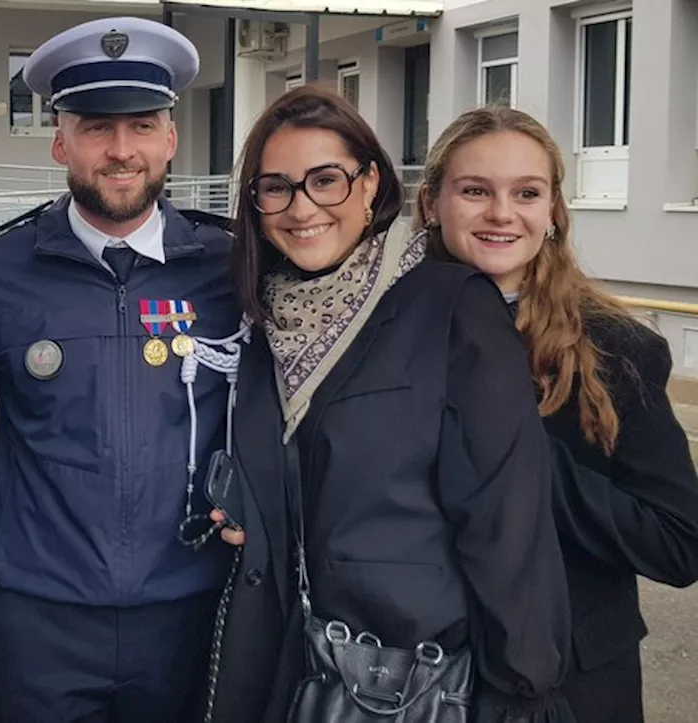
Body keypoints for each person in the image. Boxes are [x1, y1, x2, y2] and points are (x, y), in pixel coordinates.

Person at [205, 86, 575, 722]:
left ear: (371, 183)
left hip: (408, 675)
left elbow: (506, 519)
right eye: (276, 187)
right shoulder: (265, 318)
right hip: (295, 664)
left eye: (327, 180)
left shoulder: (449, 304)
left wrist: (524, 687)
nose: (303, 207)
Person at [0, 16, 242, 722]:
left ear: (170, 139)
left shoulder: (230, 270)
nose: (122, 151)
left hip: (190, 612)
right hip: (37, 627)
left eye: (143, 125)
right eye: (95, 127)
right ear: (60, 140)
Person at [414, 105, 698, 723]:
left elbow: (679, 544)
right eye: (474, 191)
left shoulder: (618, 350)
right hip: (418, 673)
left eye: (526, 192)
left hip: (574, 682)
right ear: (432, 203)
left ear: (552, 213)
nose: (501, 213)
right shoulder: (388, 334)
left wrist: (518, 458)